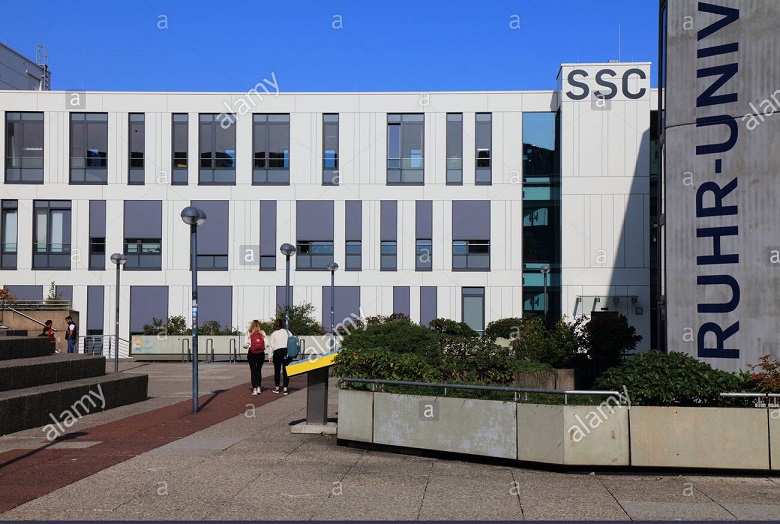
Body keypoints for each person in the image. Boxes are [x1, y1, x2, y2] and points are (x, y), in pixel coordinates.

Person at [267, 319, 293, 395]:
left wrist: (270, 356)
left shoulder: (273, 334)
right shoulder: (288, 332)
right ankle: (285, 389)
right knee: (286, 371)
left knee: (277, 371)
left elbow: (272, 346)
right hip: (286, 352)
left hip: (277, 352)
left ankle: (277, 388)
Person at [243, 320, 267, 395]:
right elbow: (267, 344)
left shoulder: (248, 333)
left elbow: (244, 345)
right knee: (258, 370)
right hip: (261, 353)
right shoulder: (262, 333)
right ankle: (259, 387)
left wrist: (249, 345)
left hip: (251, 353)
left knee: (253, 371)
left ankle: (254, 389)